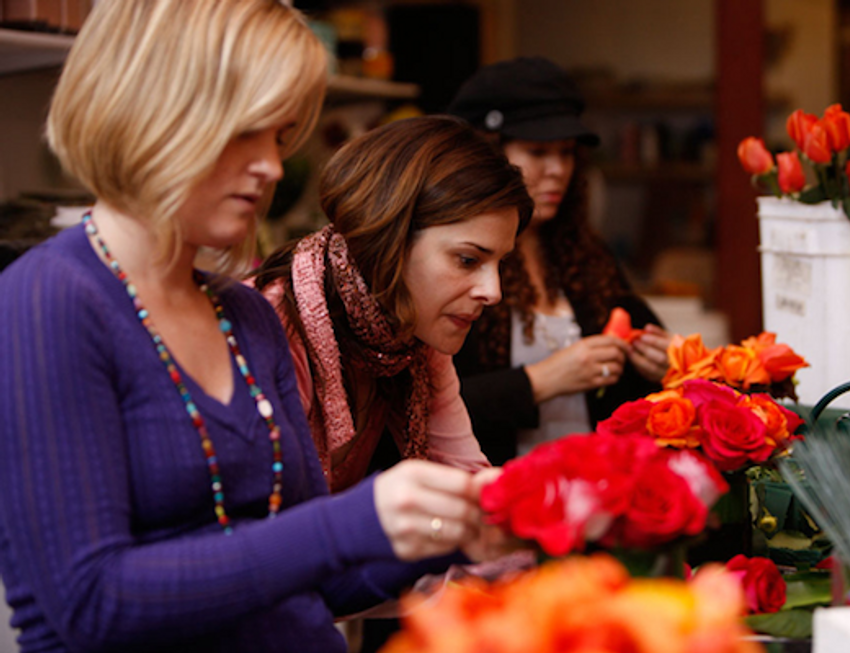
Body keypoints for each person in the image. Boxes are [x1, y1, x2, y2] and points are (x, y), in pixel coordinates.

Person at [0, 3, 506, 652]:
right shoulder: (48, 300)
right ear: (149, 107)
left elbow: (306, 583)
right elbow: (90, 602)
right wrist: (353, 520)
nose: (271, 164)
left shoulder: (244, 317)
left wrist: (448, 529)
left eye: (280, 136)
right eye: (248, 131)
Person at [251, 116, 533, 493]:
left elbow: (469, 480)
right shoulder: (272, 325)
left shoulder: (411, 335)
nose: (492, 291)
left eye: (501, 263)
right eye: (468, 260)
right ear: (389, 240)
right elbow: (260, 520)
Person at [448, 56, 674, 465]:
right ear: (487, 156)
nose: (557, 170)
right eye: (537, 151)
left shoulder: (588, 256)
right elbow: (418, 412)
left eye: (567, 153)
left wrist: (667, 365)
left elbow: (637, 395)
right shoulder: (456, 263)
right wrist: (540, 381)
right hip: (493, 498)